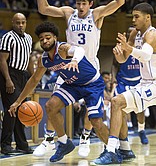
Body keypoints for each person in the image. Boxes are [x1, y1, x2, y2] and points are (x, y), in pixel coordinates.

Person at [34, 0, 127, 157]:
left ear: (90, 4)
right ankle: (51, 139)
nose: (81, 7)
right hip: (68, 65)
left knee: (91, 110)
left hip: (89, 66)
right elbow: (43, 8)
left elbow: (119, 2)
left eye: (84, 3)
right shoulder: (69, 13)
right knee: (52, 103)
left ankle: (86, 137)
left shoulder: (96, 14)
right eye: (78, 3)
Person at [8, 21, 108, 163]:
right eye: (41, 38)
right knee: (50, 106)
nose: (44, 40)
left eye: (47, 37)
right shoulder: (44, 60)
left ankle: (111, 150)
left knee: (95, 120)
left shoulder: (63, 48)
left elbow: (79, 50)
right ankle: (63, 142)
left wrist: (74, 60)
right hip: (72, 85)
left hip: (91, 84)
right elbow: (34, 80)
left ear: (54, 37)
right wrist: (18, 101)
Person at [93, 2, 156, 165]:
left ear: (147, 17)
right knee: (119, 108)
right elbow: (124, 59)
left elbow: (146, 55)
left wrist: (128, 47)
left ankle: (112, 150)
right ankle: (125, 149)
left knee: (116, 102)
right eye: (132, 16)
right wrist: (120, 53)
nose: (133, 20)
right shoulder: (135, 33)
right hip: (144, 83)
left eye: (136, 16)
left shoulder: (153, 34)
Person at [0, 13, 33, 155]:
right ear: (13, 23)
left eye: (23, 22)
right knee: (11, 110)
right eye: (17, 22)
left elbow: (29, 59)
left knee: (21, 111)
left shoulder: (29, 38)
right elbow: (2, 60)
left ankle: (21, 144)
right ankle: (5, 144)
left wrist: (32, 78)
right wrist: (8, 79)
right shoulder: (8, 37)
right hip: (9, 74)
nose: (20, 25)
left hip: (23, 76)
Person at [113, 28, 148, 145]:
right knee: (119, 108)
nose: (131, 34)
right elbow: (115, 64)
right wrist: (113, 78)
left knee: (140, 109)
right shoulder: (121, 46)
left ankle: (141, 129)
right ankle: (122, 138)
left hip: (138, 81)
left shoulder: (142, 46)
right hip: (123, 81)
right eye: (129, 32)